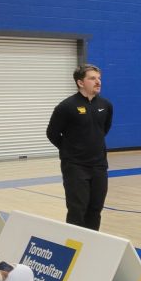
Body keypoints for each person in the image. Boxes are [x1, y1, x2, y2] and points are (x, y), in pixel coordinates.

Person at [45, 64, 112, 230]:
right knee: (77, 210)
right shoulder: (66, 107)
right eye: (92, 78)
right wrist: (70, 151)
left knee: (95, 209)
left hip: (99, 166)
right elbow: (52, 133)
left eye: (99, 78)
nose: (98, 82)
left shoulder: (106, 105)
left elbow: (104, 130)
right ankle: (74, 247)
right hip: (75, 167)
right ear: (80, 83)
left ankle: (92, 244)